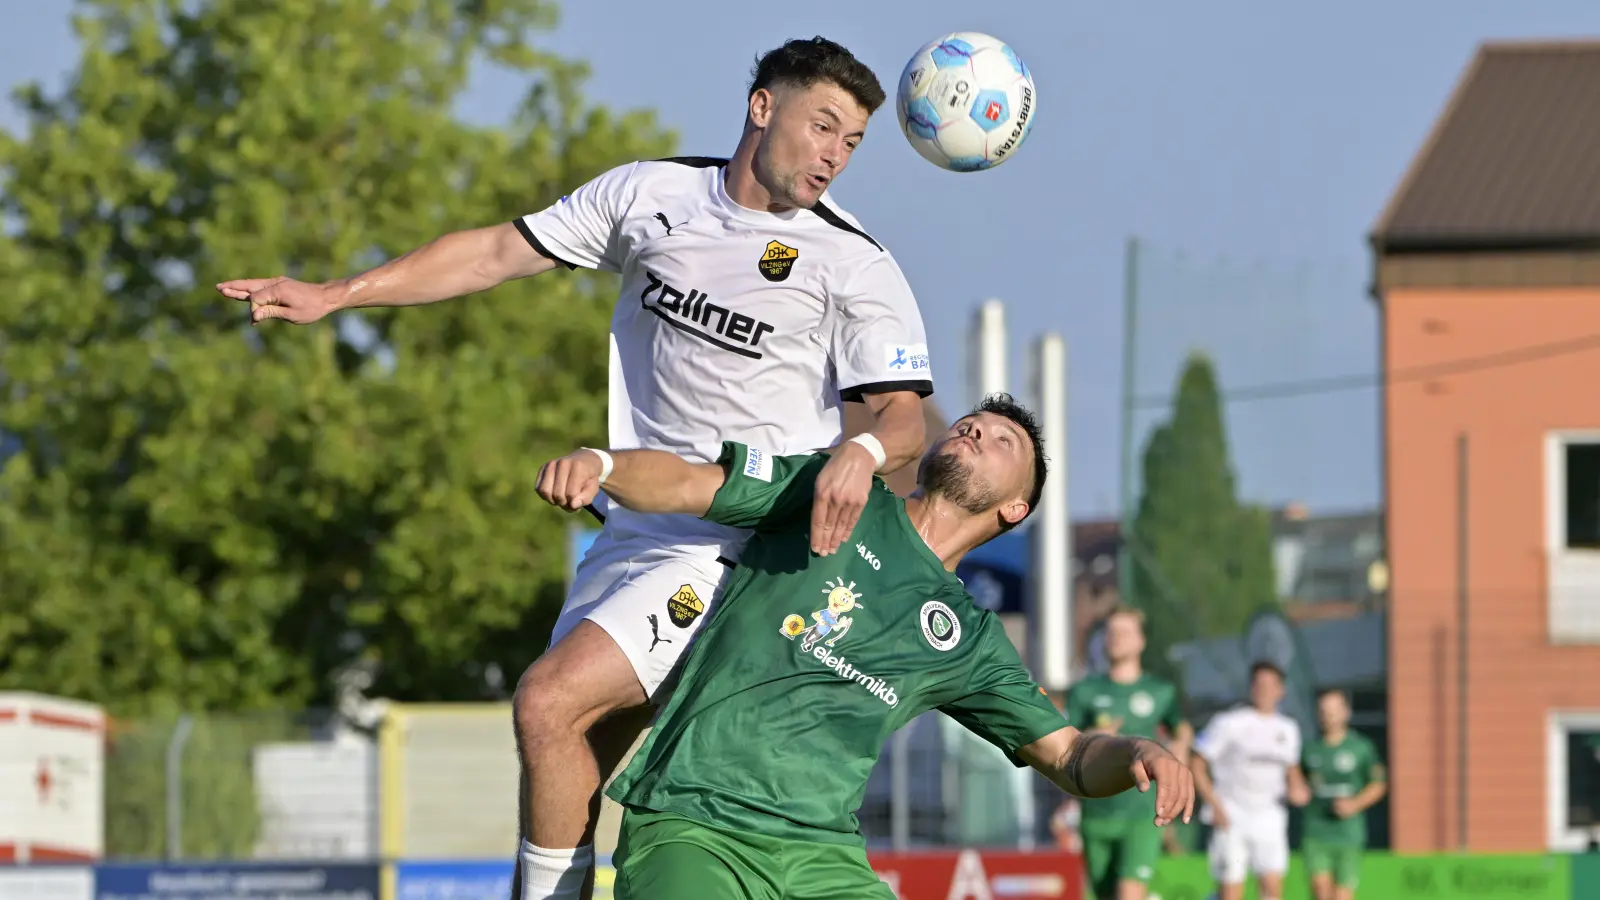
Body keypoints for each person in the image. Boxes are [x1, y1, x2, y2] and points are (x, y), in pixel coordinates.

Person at [217, 36, 933, 900]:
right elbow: (490, 253)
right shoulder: (650, 195)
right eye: (824, 126)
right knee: (571, 753)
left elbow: (905, 420)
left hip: (734, 552)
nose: (834, 154)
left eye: (852, 142)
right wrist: (337, 293)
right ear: (762, 107)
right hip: (630, 534)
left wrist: (859, 450)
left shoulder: (854, 261)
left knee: (547, 701)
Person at [533, 395, 1195, 899]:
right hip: (695, 826)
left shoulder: (966, 636)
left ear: (1015, 507)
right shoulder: (838, 492)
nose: (973, 430)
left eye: (1002, 441)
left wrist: (1141, 750)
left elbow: (1072, 757)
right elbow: (685, 484)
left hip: (825, 859)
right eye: (970, 423)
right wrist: (604, 464)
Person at [1066, 606, 1193, 900]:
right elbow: (1066, 742)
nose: (1116, 638)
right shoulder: (1085, 690)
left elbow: (1182, 729)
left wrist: (1180, 751)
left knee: (1129, 894)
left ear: (1141, 641)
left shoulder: (1160, 690)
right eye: (1111, 632)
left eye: (1124, 632)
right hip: (1096, 812)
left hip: (1141, 812)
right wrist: (1098, 737)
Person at [1189, 661, 1310, 900]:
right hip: (1232, 814)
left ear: (1280, 690)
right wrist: (1214, 804)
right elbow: (1197, 764)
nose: (1264, 690)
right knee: (1231, 891)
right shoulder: (1229, 722)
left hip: (1269, 816)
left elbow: (1292, 770)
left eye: (1270, 685)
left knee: (1272, 889)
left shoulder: (1288, 728)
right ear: (1251, 687)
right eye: (1259, 684)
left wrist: (1299, 789)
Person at [1301, 689, 1387, 900]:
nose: (1327, 715)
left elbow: (1378, 785)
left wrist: (1354, 804)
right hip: (1316, 832)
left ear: (1346, 712)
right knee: (1321, 893)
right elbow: (1298, 784)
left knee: (1341, 897)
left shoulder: (1361, 747)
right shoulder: (1309, 750)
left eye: (1333, 710)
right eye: (1323, 710)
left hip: (1348, 834)